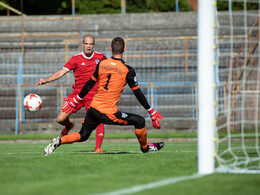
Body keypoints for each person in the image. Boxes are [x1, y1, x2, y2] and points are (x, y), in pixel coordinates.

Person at [44, 37, 164, 156]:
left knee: (83, 135)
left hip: (93, 108)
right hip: (108, 112)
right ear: (124, 49)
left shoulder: (102, 64)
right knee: (139, 121)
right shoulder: (128, 70)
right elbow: (138, 93)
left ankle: (59, 141)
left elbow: (89, 84)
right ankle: (145, 147)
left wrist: (76, 99)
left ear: (110, 49)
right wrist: (151, 111)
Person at [37, 34, 106, 153]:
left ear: (94, 45)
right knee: (60, 119)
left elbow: (110, 68)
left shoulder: (100, 57)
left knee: (98, 118)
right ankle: (69, 126)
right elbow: (61, 72)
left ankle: (98, 148)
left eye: (91, 44)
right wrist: (46, 80)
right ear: (82, 44)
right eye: (86, 43)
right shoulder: (76, 59)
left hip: (93, 96)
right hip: (77, 95)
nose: (88, 46)